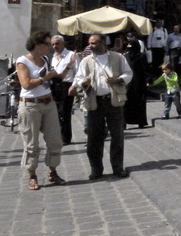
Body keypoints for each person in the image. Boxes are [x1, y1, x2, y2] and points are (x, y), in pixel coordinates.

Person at [70, 33, 132, 180]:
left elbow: (128, 74)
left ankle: (118, 167)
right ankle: (96, 168)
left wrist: (117, 79)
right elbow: (78, 77)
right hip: (94, 101)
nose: (90, 46)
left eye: (93, 43)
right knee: (93, 137)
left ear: (103, 43)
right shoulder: (86, 61)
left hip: (113, 101)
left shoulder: (117, 57)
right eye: (89, 44)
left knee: (117, 135)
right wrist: (82, 83)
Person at [16, 31, 67, 190]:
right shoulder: (23, 61)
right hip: (30, 106)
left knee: (55, 140)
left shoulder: (45, 59)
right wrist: (44, 78)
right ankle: (32, 176)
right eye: (46, 44)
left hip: (48, 103)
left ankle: (53, 171)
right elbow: (26, 84)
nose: (49, 47)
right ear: (37, 45)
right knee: (32, 144)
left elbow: (54, 76)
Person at [50, 35, 78, 145]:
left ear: (62, 43)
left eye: (57, 43)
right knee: (56, 113)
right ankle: (60, 136)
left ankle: (66, 137)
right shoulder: (53, 57)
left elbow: (78, 72)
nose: (54, 46)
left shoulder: (71, 55)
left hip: (67, 85)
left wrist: (74, 86)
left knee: (65, 112)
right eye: (53, 44)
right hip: (55, 86)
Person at [123, 39, 149, 128]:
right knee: (140, 102)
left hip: (128, 83)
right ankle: (141, 121)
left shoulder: (125, 57)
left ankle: (124, 122)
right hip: (139, 82)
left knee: (127, 103)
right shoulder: (141, 56)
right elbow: (145, 69)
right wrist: (149, 80)